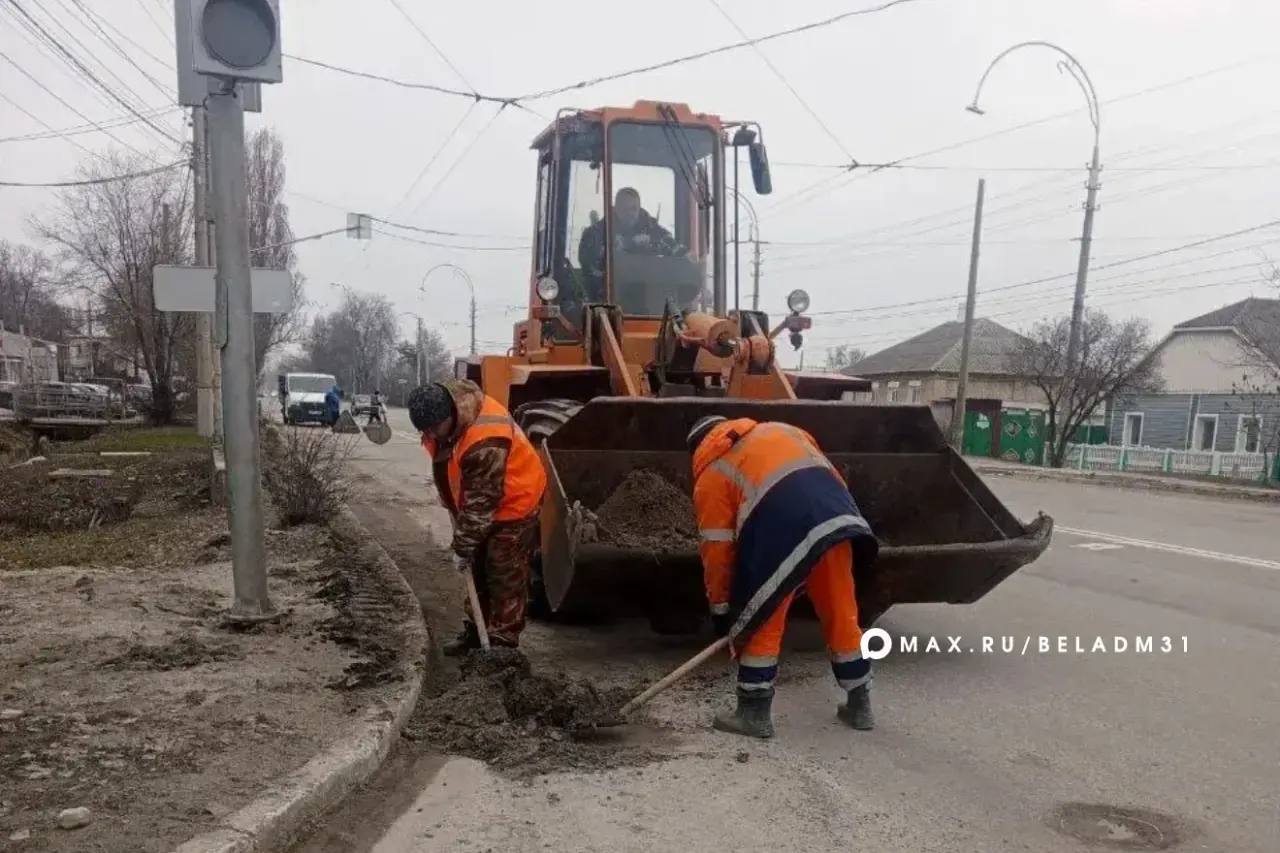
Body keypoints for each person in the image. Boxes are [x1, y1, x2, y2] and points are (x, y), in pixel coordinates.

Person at [686, 414, 880, 739]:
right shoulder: (783, 430)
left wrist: (722, 608)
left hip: (781, 531)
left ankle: (753, 712)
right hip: (838, 517)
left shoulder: (712, 473)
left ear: (697, 449)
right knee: (841, 613)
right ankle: (860, 704)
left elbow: (717, 550)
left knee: (762, 617)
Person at [407, 380, 547, 653]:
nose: (431, 435)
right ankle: (477, 632)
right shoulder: (449, 418)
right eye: (425, 430)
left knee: (504, 574)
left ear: (450, 415)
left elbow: (481, 504)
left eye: (435, 428)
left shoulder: (485, 441)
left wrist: (463, 545)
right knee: (477, 568)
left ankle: (502, 646)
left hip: (515, 504)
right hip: (481, 505)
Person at [577, 186, 681, 278]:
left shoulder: (652, 228)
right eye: (624, 209)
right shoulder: (595, 233)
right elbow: (590, 263)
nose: (629, 213)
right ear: (615, 208)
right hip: (607, 294)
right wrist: (627, 244)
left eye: (633, 208)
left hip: (647, 293)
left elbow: (672, 246)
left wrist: (655, 244)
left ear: (639, 209)